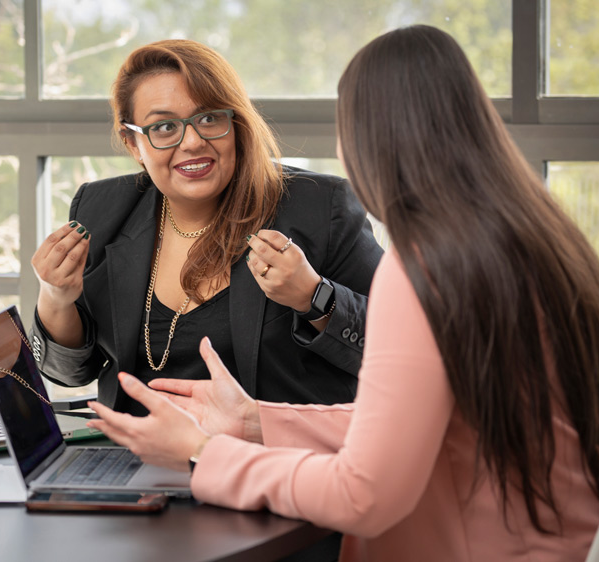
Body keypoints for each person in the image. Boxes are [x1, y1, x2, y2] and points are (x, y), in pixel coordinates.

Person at [85, 25, 599, 561]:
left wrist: (201, 453)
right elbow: (423, 416)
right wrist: (258, 422)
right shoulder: (522, 235)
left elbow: (365, 493)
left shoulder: (426, 268)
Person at [29, 39, 384, 416]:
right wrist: (55, 298)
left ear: (235, 122)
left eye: (210, 118)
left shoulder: (320, 205)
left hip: (268, 460)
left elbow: (400, 351)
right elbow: (70, 373)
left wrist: (314, 298)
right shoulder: (101, 209)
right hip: (134, 460)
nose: (194, 141)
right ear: (133, 143)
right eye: (164, 127)